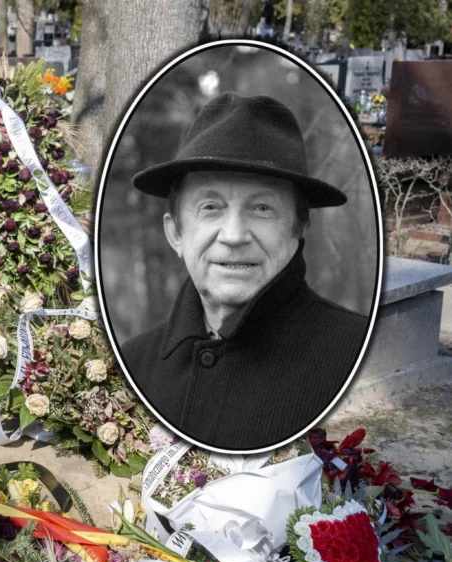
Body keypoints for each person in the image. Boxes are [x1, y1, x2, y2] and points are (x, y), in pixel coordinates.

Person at [120, 92, 369, 451]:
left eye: (262, 208)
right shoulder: (134, 364)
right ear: (176, 234)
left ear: (297, 229)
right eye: (210, 207)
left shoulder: (357, 360)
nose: (234, 235)